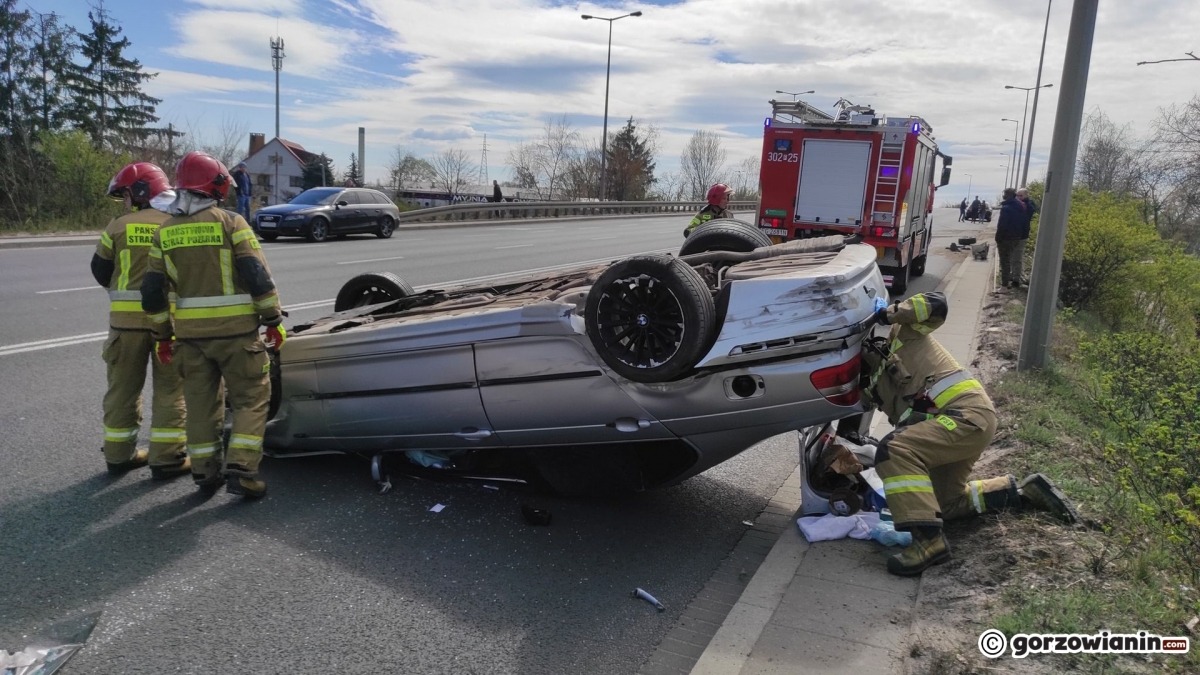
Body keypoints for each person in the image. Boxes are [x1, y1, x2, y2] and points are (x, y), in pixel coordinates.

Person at [863, 292, 1076, 576]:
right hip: (959, 427)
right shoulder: (873, 381)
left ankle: (928, 543)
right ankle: (1022, 492)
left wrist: (889, 313)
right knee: (941, 504)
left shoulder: (905, 332)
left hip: (965, 416)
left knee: (895, 450)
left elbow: (936, 303)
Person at [142, 151, 285, 499]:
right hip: (237, 335)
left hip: (190, 338)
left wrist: (163, 335)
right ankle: (242, 468)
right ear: (216, 186)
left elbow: (152, 293)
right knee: (252, 398)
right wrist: (273, 319)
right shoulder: (231, 222)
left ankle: (205, 471)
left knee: (202, 405)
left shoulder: (164, 233)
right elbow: (256, 275)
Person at [92, 162, 190, 479]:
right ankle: (168, 459)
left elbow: (100, 270)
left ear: (140, 193)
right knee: (170, 392)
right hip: (170, 326)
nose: (124, 201)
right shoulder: (177, 225)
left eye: (125, 195)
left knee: (122, 391)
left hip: (125, 327)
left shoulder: (118, 226)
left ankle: (119, 456)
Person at [995, 187, 1029, 289]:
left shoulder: (1006, 208)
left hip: (1006, 238)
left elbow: (1002, 225)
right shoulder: (1021, 206)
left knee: (1005, 261)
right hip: (1017, 237)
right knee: (1011, 260)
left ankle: (1004, 285)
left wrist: (998, 238)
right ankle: (1011, 280)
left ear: (1006, 195)